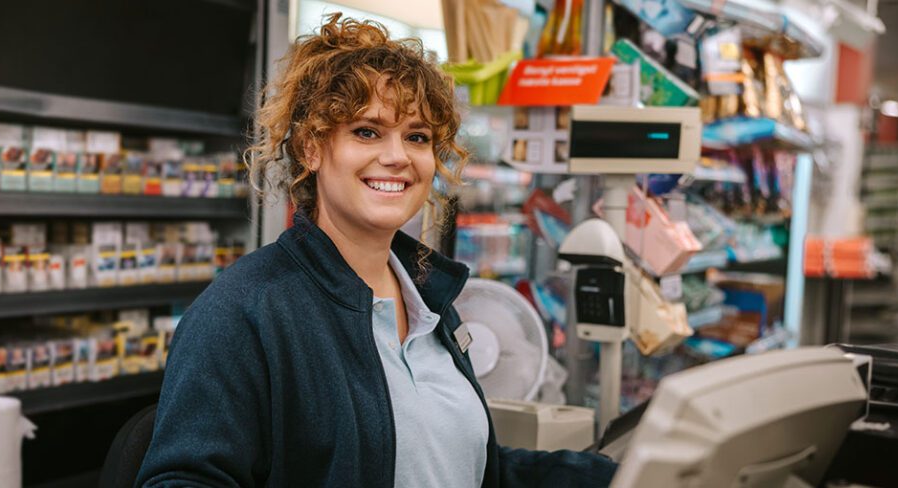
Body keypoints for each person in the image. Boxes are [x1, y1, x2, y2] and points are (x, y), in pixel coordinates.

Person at [136, 13, 617, 488]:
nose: (398, 156)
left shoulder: (430, 302)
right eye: (367, 131)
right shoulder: (244, 312)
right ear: (311, 148)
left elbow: (457, 464)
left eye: (418, 137)